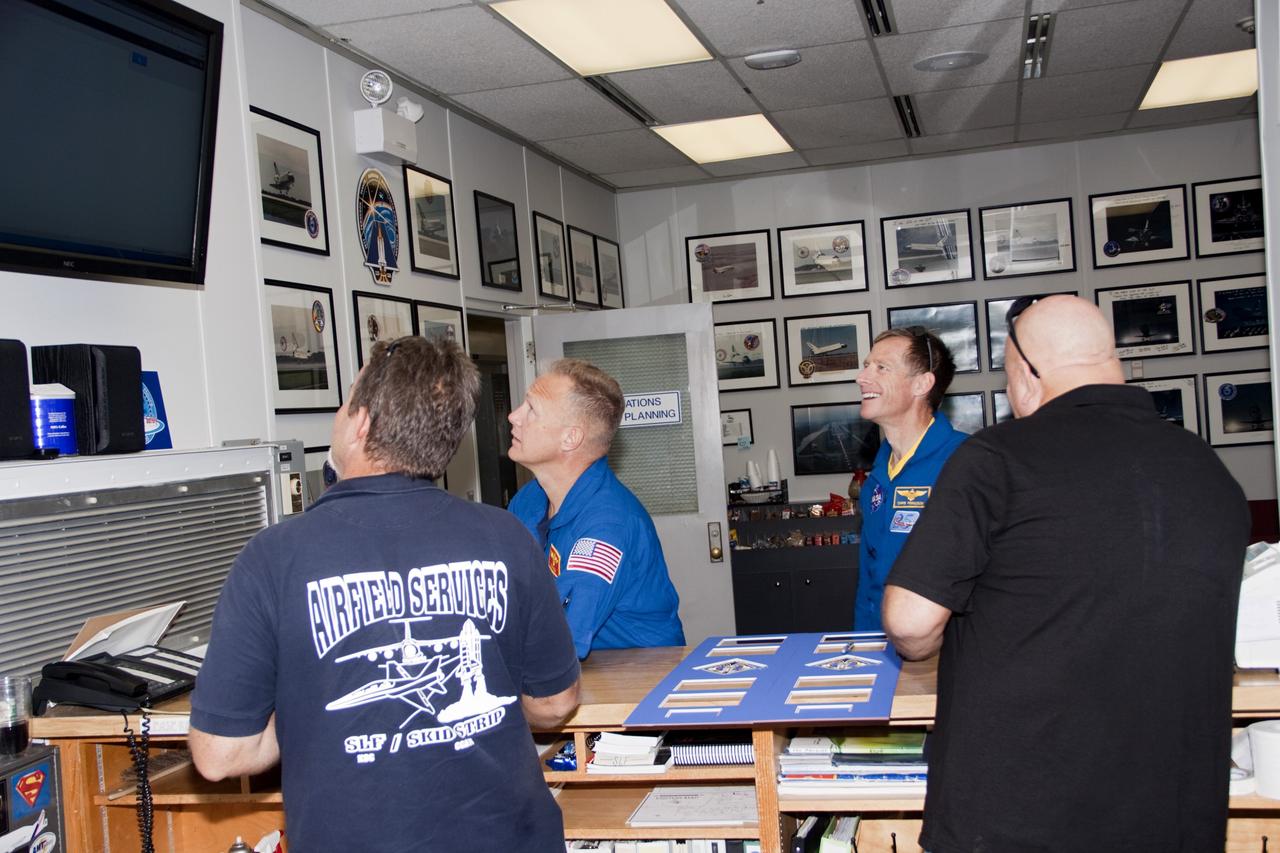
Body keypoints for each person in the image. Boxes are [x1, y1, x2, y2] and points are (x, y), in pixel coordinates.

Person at [882, 295, 1249, 853]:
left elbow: (909, 622)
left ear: (1029, 372)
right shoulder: (1208, 469)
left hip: (1021, 814)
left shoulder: (996, 459)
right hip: (1173, 816)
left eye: (1008, 378)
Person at [188, 336, 580, 853]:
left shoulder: (273, 557)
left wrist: (316, 712)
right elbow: (555, 702)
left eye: (345, 400)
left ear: (362, 423)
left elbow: (220, 755)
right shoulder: (507, 536)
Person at [507, 358, 684, 659]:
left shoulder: (608, 525)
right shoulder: (529, 500)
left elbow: (562, 640)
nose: (513, 416)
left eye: (532, 409)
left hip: (640, 679)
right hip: (581, 673)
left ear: (570, 437)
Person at [853, 327, 965, 631]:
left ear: (922, 384)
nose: (862, 378)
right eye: (866, 365)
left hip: (942, 654)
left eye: (881, 368)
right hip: (881, 650)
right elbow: (870, 582)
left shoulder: (966, 464)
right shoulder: (877, 478)